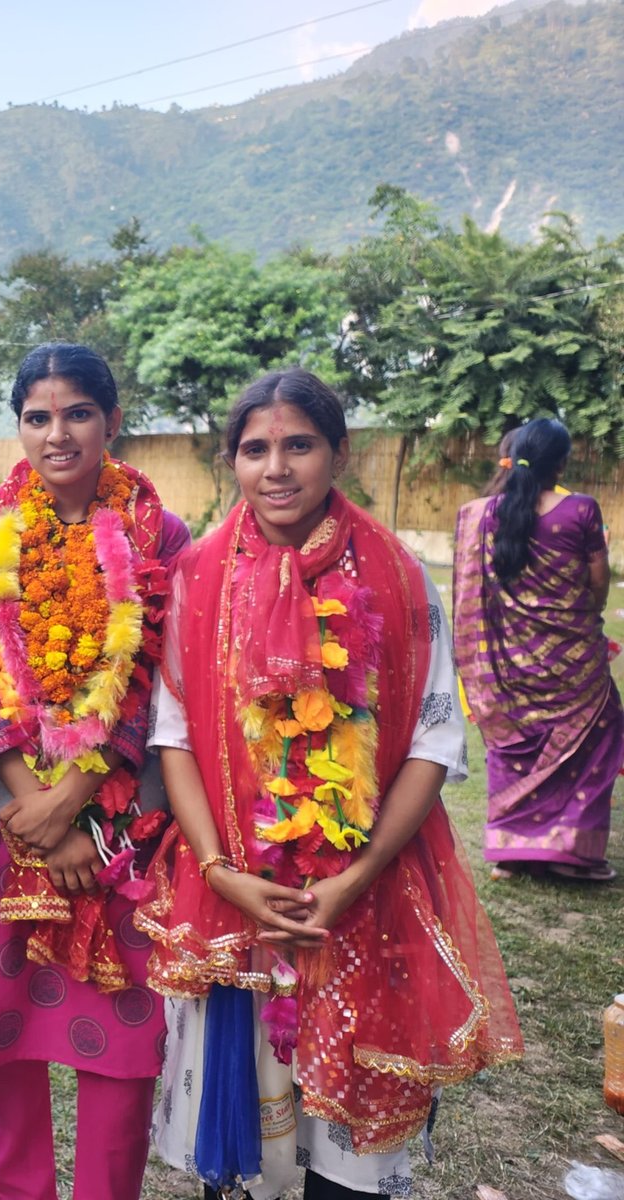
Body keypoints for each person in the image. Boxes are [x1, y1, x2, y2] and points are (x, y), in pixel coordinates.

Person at [137, 370, 522, 1199]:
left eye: (299, 445)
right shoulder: (198, 575)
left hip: (364, 897)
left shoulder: (399, 576)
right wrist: (221, 873)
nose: (276, 468)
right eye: (255, 449)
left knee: (348, 1167)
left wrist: (353, 878)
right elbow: (174, 737)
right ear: (232, 462)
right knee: (240, 1162)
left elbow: (435, 741)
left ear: (340, 453)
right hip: (236, 902)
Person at [0, 343, 189, 1200]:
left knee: (122, 1032)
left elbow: (157, 677)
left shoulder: (160, 533)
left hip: (126, 821)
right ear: (18, 426)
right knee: (6, 1031)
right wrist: (40, 808)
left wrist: (79, 803)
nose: (58, 434)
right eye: (38, 417)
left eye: (78, 413)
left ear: (112, 421)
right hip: (0, 812)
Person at [453, 417, 623, 883]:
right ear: (561, 464)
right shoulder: (581, 509)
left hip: (506, 661)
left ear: (511, 457)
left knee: (514, 744)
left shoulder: (480, 515)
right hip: (574, 662)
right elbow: (597, 581)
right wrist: (581, 616)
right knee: (595, 737)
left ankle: (510, 855)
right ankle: (574, 853)